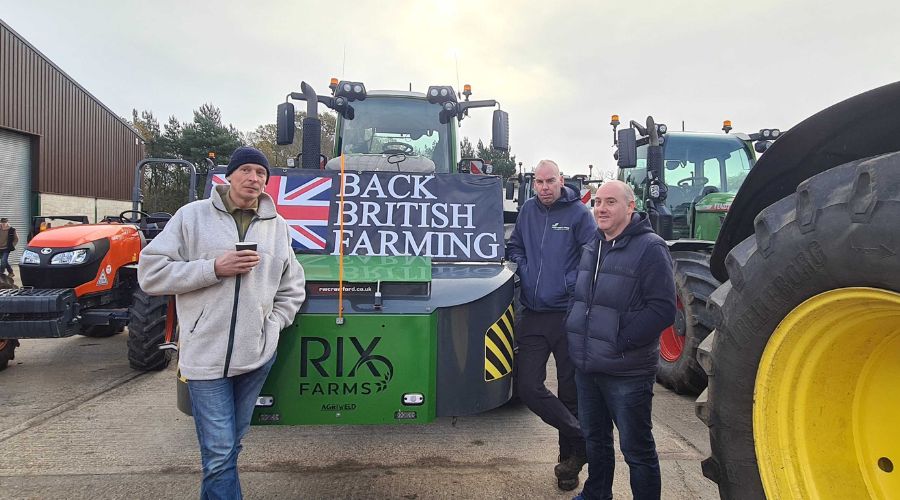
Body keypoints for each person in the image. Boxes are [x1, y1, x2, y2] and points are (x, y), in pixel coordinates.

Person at [138, 146, 306, 499]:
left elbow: (293, 286)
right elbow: (151, 274)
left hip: (255, 355)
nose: (253, 178)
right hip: (205, 359)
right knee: (218, 455)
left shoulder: (278, 227)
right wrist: (214, 268)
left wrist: (273, 324)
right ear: (229, 176)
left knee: (229, 448)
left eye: (261, 174)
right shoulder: (192, 217)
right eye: (245, 170)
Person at [566, 180, 676, 500]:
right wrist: (575, 332)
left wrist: (620, 340)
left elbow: (663, 309)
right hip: (588, 366)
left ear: (630, 207)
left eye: (610, 202)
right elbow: (580, 298)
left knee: (636, 450)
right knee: (595, 441)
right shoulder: (593, 245)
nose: (600, 208)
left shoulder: (650, 248)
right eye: (597, 202)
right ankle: (596, 494)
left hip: (626, 372)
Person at [506, 159, 597, 491]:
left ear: (561, 181)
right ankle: (582, 437)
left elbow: (592, 252)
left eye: (549, 181)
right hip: (532, 313)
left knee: (570, 394)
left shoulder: (578, 214)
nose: (544, 187)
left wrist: (570, 283)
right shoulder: (528, 211)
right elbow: (515, 246)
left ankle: (568, 468)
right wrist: (523, 269)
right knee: (529, 387)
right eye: (539, 182)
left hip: (567, 315)